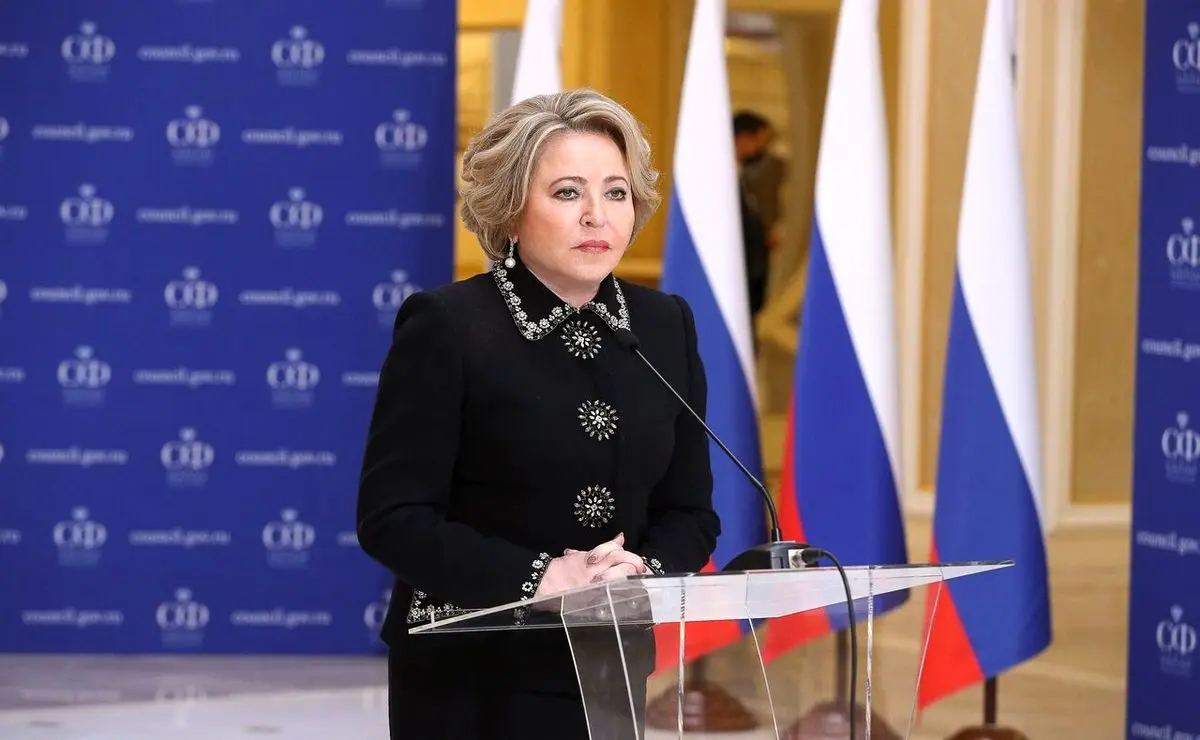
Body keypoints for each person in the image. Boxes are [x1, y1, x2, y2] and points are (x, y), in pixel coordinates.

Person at [356, 88, 722, 740]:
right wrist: (540, 577)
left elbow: (691, 513)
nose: (596, 216)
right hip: (469, 676)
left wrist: (643, 570)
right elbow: (393, 519)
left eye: (616, 193)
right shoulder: (448, 325)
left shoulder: (665, 325)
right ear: (511, 209)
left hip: (608, 661)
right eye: (567, 193)